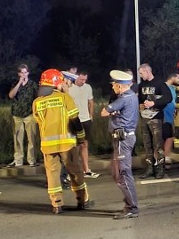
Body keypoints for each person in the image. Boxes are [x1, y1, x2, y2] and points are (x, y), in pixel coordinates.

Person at [32, 69, 93, 215]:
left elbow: (39, 122)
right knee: (75, 172)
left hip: (47, 146)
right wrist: (80, 136)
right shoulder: (64, 98)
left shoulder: (37, 102)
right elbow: (74, 119)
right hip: (66, 144)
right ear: (56, 83)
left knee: (52, 175)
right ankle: (82, 200)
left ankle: (56, 204)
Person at [101, 69, 140, 219]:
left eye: (114, 85)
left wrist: (112, 112)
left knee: (123, 174)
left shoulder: (124, 98)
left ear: (119, 86)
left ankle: (132, 208)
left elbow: (104, 112)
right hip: (124, 138)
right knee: (117, 173)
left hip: (122, 140)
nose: (112, 87)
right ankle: (129, 205)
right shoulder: (131, 96)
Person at [137, 63, 173, 179]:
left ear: (147, 71)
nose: (141, 76)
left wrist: (154, 103)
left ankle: (160, 169)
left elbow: (168, 97)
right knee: (147, 145)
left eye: (141, 73)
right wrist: (141, 105)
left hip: (156, 118)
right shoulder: (141, 85)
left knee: (157, 144)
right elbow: (140, 100)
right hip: (144, 117)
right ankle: (150, 168)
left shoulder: (159, 83)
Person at [68, 67, 98, 178]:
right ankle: (73, 170)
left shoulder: (88, 87)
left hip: (85, 120)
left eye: (85, 79)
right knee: (73, 146)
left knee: (84, 144)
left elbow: (91, 102)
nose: (83, 82)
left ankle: (86, 169)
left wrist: (91, 116)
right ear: (77, 77)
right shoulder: (70, 88)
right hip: (73, 120)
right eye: (81, 79)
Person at [7, 64, 38, 167]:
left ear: (28, 73)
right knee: (18, 138)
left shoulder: (33, 84)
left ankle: (31, 160)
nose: (23, 74)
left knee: (31, 138)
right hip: (17, 114)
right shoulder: (15, 83)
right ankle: (18, 159)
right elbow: (11, 95)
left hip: (29, 113)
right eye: (21, 72)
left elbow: (37, 98)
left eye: (25, 72)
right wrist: (19, 83)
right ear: (19, 74)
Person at [163, 70, 179, 156]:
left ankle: (166, 155)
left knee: (169, 135)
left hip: (170, 114)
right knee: (168, 136)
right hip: (164, 115)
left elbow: (173, 100)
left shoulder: (173, 88)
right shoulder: (163, 87)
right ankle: (166, 156)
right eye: (177, 78)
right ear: (172, 77)